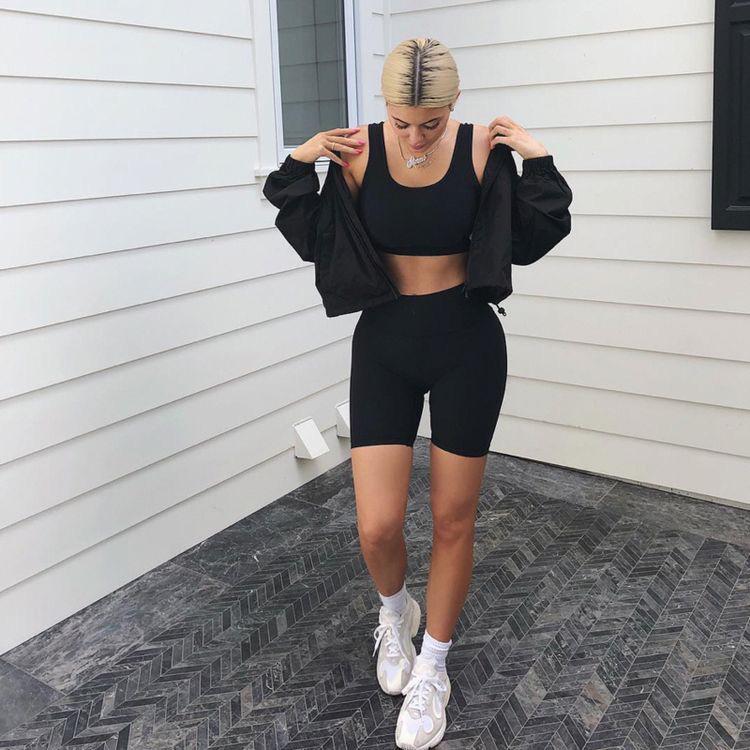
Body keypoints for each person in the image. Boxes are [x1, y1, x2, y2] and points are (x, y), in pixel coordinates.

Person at [281, 37, 572, 750]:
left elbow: (532, 237)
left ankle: (434, 667)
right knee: (377, 525)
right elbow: (317, 240)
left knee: (451, 519)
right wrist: (298, 164)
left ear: (453, 105)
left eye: (430, 123)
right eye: (401, 122)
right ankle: (395, 614)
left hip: (467, 344)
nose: (414, 138)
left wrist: (537, 160)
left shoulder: (480, 151)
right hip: (384, 344)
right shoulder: (357, 155)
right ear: (385, 108)